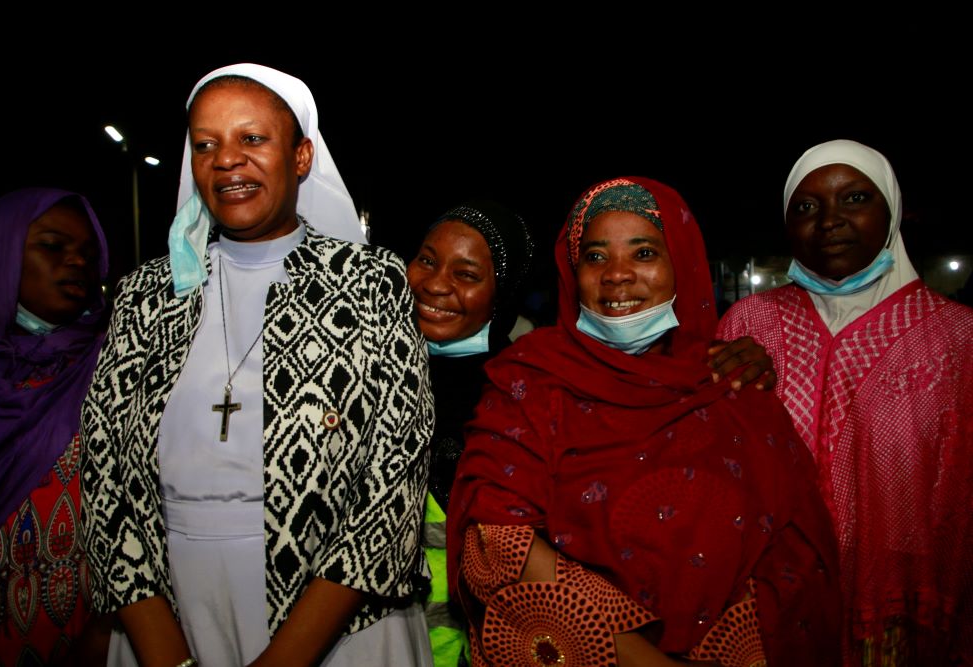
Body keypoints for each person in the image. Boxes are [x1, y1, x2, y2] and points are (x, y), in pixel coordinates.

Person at [81, 63, 434, 667]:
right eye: (206, 144)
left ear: (301, 157)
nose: (227, 160)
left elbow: (389, 486)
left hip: (335, 626)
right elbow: (104, 475)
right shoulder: (148, 294)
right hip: (169, 613)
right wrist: (164, 654)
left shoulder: (371, 284)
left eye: (253, 139)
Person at [448, 176, 842, 666]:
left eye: (644, 254)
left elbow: (790, 557)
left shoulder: (732, 386)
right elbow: (500, 542)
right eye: (594, 256)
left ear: (682, 265)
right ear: (573, 273)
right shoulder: (530, 381)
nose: (617, 275)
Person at [718, 139, 973, 665]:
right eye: (806, 207)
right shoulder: (748, 324)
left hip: (896, 615)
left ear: (892, 210)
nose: (829, 220)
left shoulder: (955, 336)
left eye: (854, 199)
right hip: (772, 601)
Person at [0, 188, 111, 666]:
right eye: (53, 246)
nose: (77, 261)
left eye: (89, 254)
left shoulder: (114, 368)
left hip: (91, 639)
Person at [407, 200, 536, 666]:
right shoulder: (375, 368)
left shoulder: (521, 391)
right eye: (426, 260)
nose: (435, 284)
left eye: (466, 274)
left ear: (502, 293)